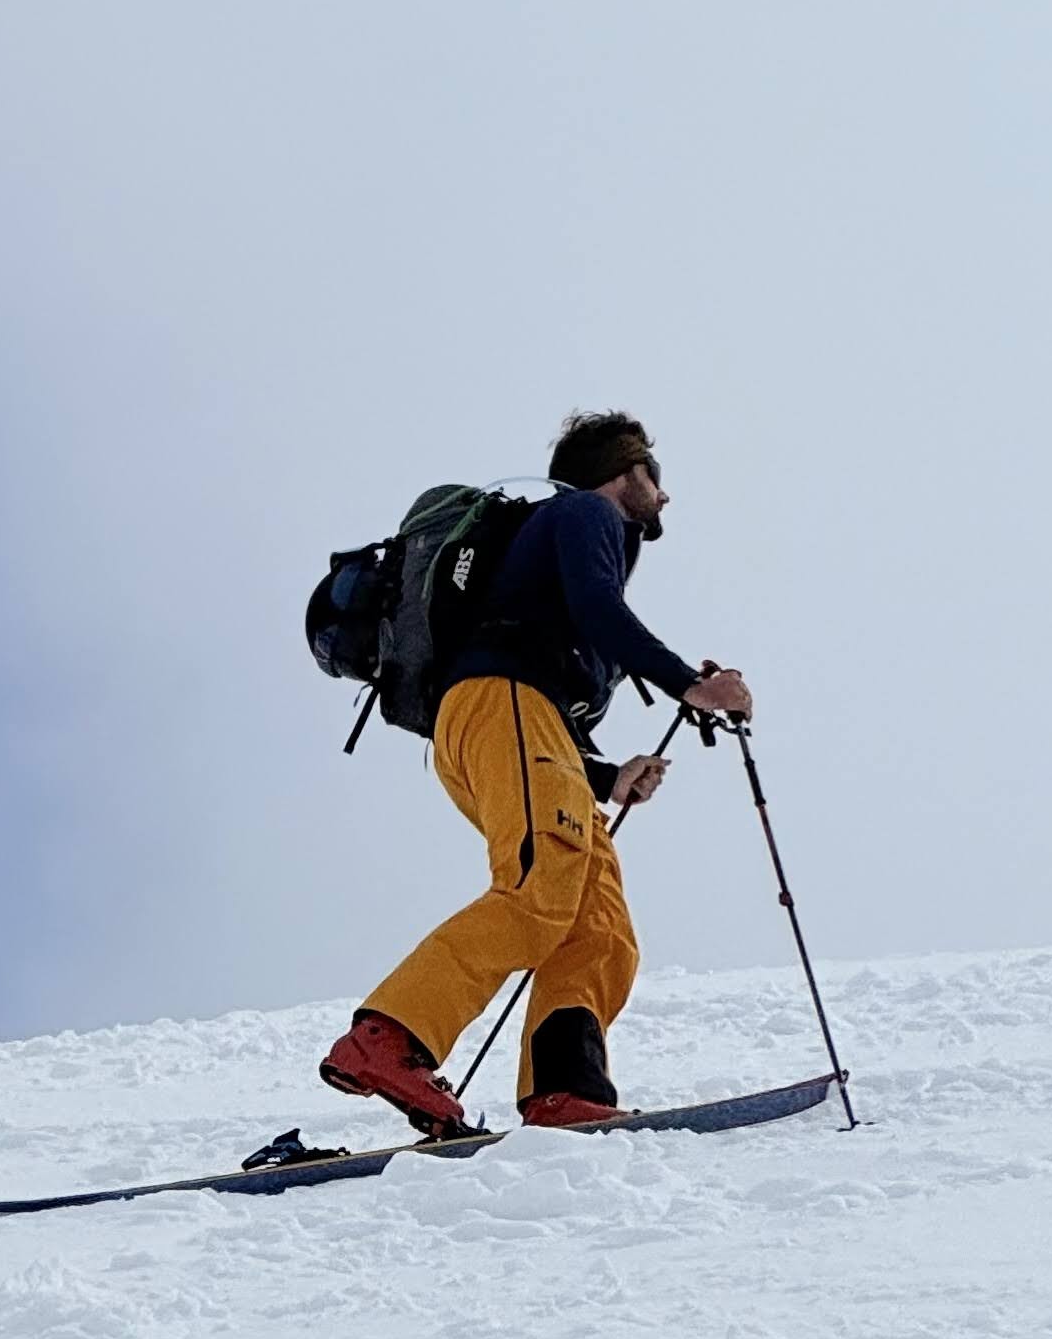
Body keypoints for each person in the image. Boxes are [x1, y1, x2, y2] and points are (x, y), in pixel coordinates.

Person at [317, 412, 752, 1132]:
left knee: (599, 927)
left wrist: (611, 779)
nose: (664, 495)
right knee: (540, 889)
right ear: (621, 472)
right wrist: (688, 685)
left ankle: (563, 1091)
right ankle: (389, 1040)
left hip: (514, 723)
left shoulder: (563, 551)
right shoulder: (584, 511)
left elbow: (555, 711)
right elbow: (596, 608)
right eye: (654, 475)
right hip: (499, 708)